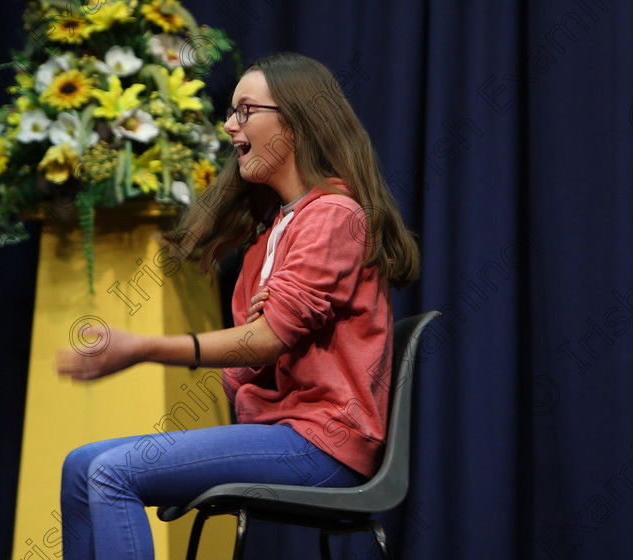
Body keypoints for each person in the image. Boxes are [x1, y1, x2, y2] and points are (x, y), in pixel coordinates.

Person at [54, 51, 420, 559]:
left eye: (244, 111)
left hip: (322, 443)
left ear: (293, 123)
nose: (229, 126)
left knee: (114, 473)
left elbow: (267, 342)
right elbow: (246, 374)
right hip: (278, 432)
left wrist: (142, 347)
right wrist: (255, 344)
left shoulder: (335, 214)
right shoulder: (268, 238)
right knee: (79, 466)